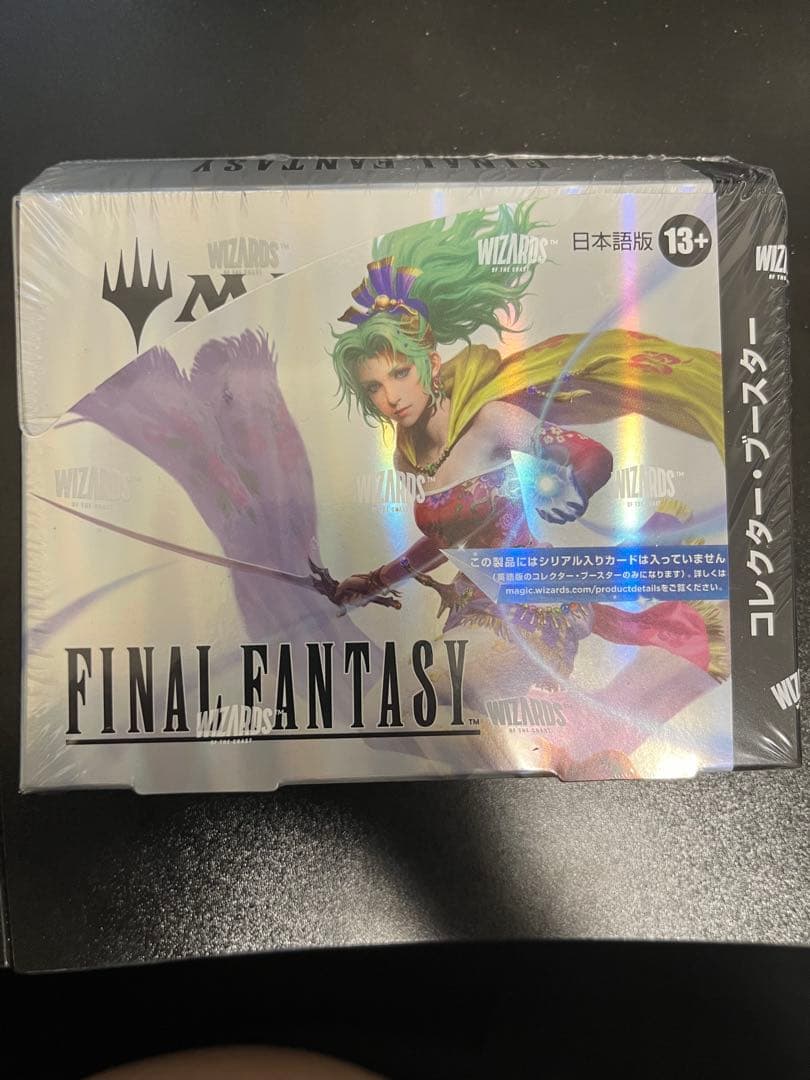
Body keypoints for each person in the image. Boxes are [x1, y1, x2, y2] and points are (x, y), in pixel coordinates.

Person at [328, 204, 728, 777]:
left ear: (430, 363)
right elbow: (448, 540)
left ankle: (546, 770)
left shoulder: (491, 421)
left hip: (531, 609)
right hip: (477, 610)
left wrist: (570, 485)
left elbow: (589, 455)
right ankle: (571, 759)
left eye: (399, 373)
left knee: (406, 705)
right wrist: (374, 581)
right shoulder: (425, 460)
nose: (390, 396)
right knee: (384, 720)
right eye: (373, 387)